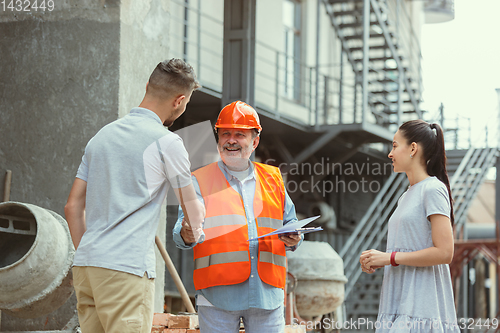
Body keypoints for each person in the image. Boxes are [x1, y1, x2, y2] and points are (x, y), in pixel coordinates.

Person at [64, 58, 205, 333]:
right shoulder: (167, 142)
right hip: (126, 269)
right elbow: (194, 211)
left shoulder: (101, 137)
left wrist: (92, 254)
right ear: (179, 100)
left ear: (147, 86)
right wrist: (195, 227)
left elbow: (71, 207)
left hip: (87, 267)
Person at [173, 101, 302, 333]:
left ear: (255, 142)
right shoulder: (199, 180)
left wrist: (294, 235)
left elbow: (290, 221)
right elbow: (181, 235)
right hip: (217, 296)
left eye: (239, 134)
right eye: (225, 134)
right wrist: (187, 232)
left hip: (267, 294)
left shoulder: (273, 179)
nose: (231, 140)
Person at [360, 119, 459, 332]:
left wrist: (390, 257)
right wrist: (380, 260)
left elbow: (445, 252)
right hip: (398, 300)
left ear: (413, 148)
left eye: (395, 145)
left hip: (422, 304)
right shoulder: (405, 196)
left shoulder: (433, 189)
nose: (390, 153)